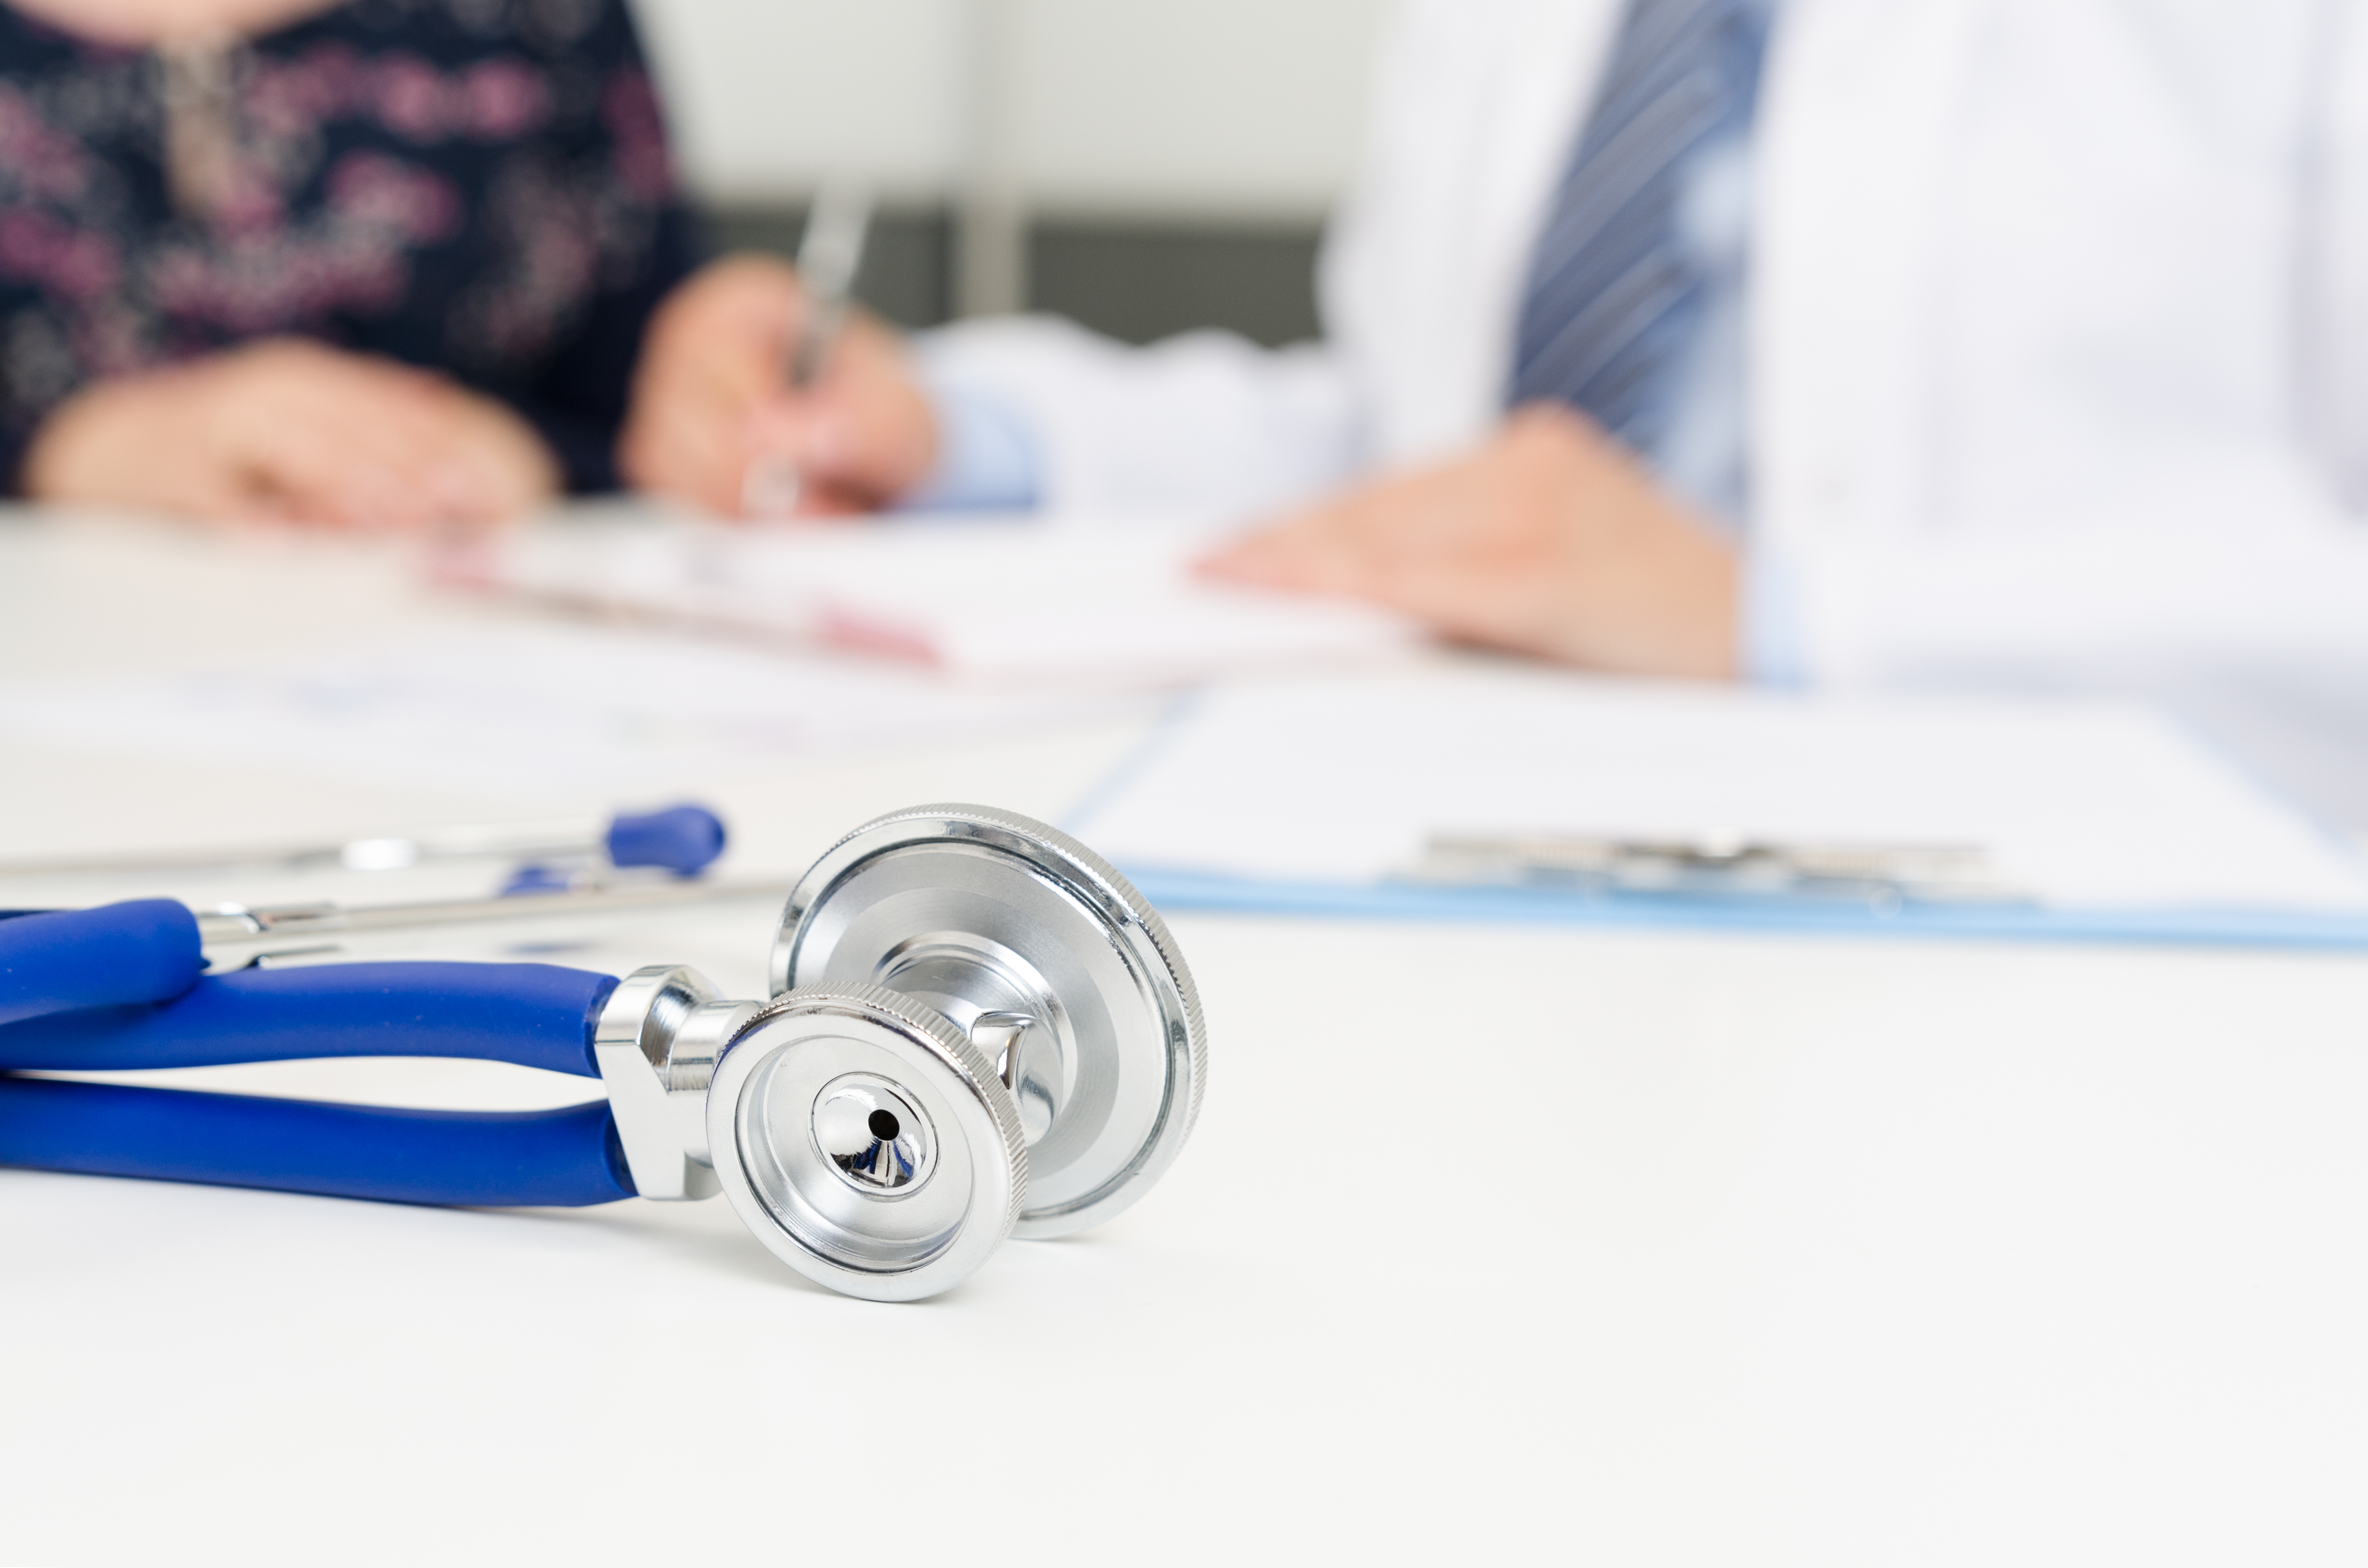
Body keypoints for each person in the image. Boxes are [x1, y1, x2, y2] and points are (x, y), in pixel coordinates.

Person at [622, 0, 2368, 818]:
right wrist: (965, 436)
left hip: (2105, 949)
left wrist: (1773, 612)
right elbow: (1423, 462)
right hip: (1481, 826)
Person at [2, 0, 695, 529]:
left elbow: (656, 406)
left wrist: (517, 452)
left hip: (449, 634)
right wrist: (74, 454)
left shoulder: (543, 24)